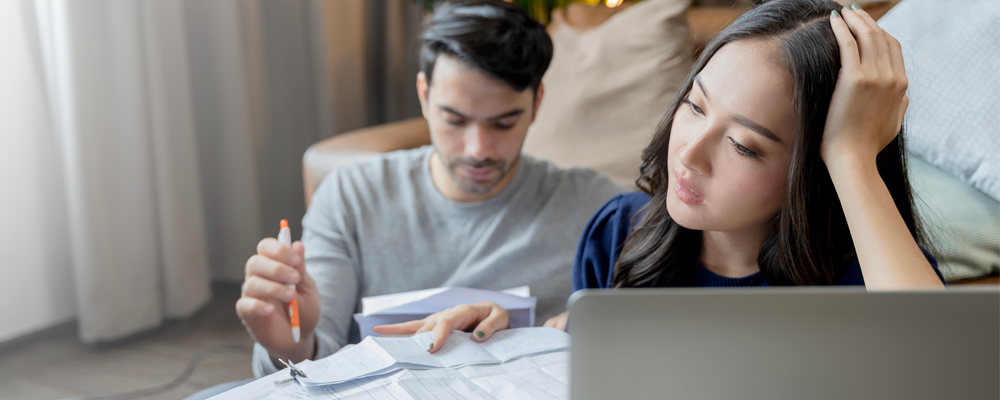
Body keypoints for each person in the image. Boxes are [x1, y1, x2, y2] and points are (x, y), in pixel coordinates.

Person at [376, 0, 947, 350]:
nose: (689, 154)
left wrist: (851, 154)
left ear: (812, 167)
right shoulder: (620, 234)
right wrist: (516, 341)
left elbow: (942, 370)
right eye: (694, 106)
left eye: (744, 146)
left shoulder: (864, 276)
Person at [234, 0, 627, 378]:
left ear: (537, 103)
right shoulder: (352, 196)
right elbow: (314, 355)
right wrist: (291, 348)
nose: (478, 150)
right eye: (455, 120)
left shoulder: (599, 208)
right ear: (424, 96)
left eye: (503, 124)